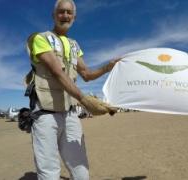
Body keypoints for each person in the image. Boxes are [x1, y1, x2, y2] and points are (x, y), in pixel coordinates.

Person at [25, 0, 119, 179]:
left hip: (69, 114)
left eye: (69, 13)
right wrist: (85, 101)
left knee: (80, 167)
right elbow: (57, 73)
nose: (65, 16)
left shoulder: (75, 45)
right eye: (61, 12)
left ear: (74, 18)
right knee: (49, 171)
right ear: (54, 15)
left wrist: (107, 67)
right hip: (45, 114)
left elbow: (86, 74)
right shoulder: (41, 38)